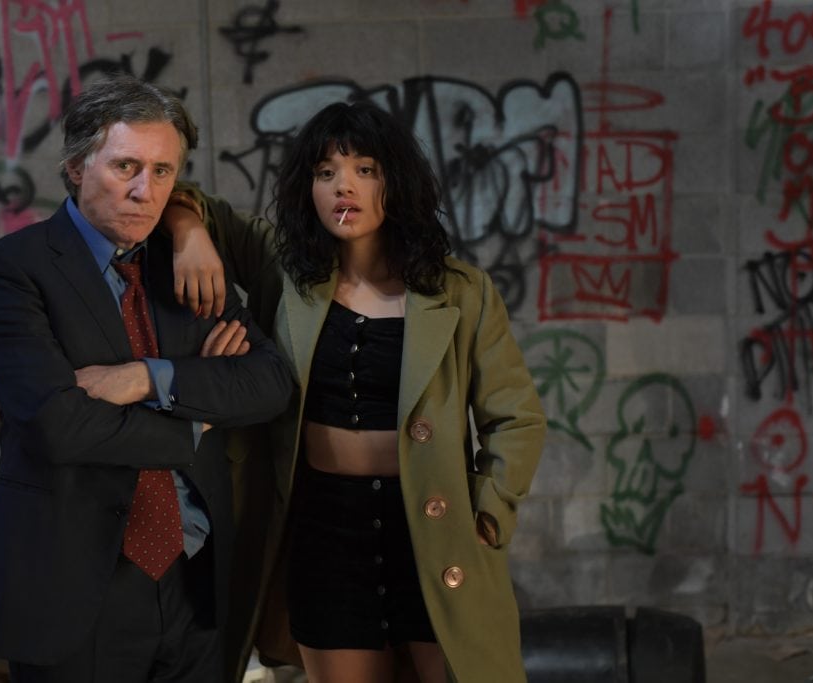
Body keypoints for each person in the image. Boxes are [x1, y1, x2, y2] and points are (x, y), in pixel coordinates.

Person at [166, 101, 547, 683]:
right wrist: (189, 231)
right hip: (324, 530)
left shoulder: (462, 290)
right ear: (308, 190)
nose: (343, 186)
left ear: (397, 181)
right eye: (325, 173)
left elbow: (516, 417)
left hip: (432, 529)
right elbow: (182, 194)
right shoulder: (284, 271)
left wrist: (489, 517)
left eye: (364, 169)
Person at [0, 74, 293, 683]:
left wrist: (149, 378)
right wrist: (197, 420)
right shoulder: (12, 270)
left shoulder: (189, 267)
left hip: (197, 579)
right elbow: (58, 425)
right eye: (126, 167)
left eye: (163, 171)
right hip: (73, 584)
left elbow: (269, 382)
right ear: (75, 166)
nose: (147, 191)